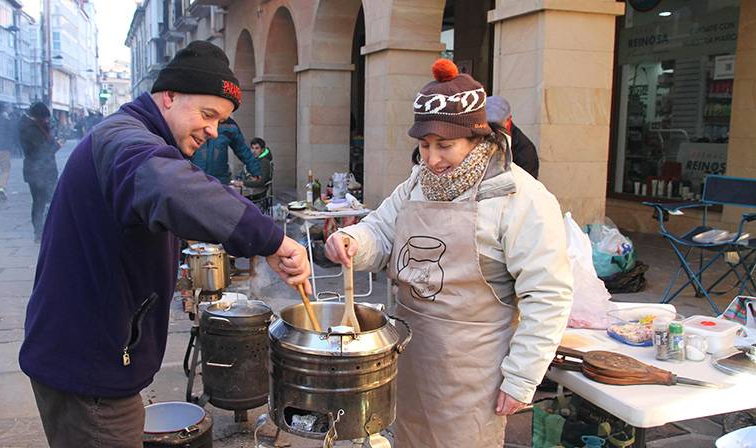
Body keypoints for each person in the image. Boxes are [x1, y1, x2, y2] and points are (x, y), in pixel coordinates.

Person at [18, 41, 312, 448]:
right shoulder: (123, 140)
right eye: (208, 115)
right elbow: (167, 185)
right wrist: (270, 238)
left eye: (220, 121)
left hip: (97, 359)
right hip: (89, 370)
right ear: (169, 96)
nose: (213, 131)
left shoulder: (139, 136)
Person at [323, 59, 573, 447]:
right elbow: (381, 230)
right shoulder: (416, 184)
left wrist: (522, 378)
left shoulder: (522, 198)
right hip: (411, 357)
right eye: (424, 146)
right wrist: (354, 240)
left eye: (445, 146)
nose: (432, 159)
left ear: (478, 139)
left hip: (474, 373)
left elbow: (548, 294)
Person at [19, 102, 61, 243]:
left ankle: (41, 232)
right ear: (39, 117)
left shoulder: (29, 126)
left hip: (36, 170)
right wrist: (57, 145)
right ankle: (42, 232)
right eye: (46, 118)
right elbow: (41, 153)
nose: (48, 121)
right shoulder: (32, 130)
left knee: (40, 202)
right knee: (43, 202)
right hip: (40, 172)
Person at [191, 116, 261, 184]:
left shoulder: (229, 125)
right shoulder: (194, 120)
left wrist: (255, 169)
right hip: (195, 178)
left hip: (218, 180)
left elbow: (242, 150)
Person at [485, 95, 539, 179]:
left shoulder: (524, 150)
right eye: (488, 125)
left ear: (508, 119)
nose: (492, 130)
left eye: (497, 126)